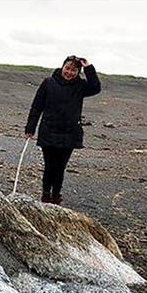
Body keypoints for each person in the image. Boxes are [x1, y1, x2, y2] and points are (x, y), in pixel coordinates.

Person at [25, 55, 101, 205]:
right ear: (62, 67)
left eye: (74, 70)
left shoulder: (80, 86)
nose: (69, 72)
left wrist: (88, 68)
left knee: (60, 168)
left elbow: (96, 87)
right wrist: (30, 128)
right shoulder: (48, 83)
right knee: (50, 167)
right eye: (67, 68)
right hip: (49, 131)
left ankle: (56, 196)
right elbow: (36, 107)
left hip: (70, 133)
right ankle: (46, 195)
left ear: (78, 72)